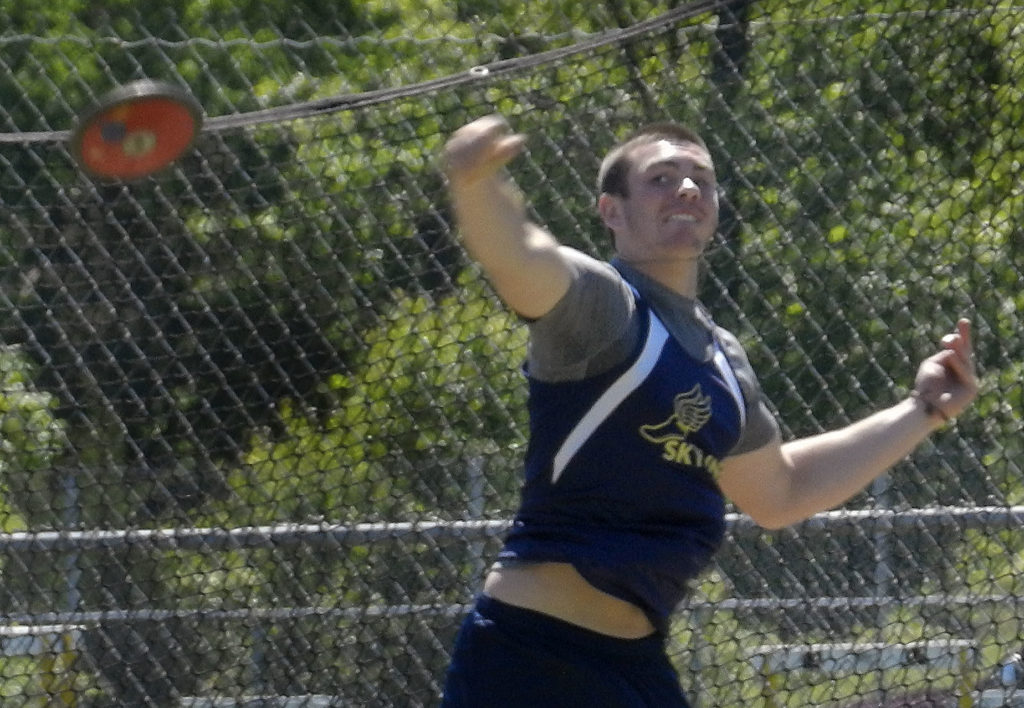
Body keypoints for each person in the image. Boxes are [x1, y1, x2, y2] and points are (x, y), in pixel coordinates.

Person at [438, 114, 978, 707]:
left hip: (636, 665)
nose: (688, 189)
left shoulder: (723, 359)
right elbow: (519, 257)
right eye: (661, 178)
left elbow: (781, 491)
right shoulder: (604, 306)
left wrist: (923, 409)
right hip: (531, 656)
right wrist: (475, 185)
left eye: (702, 179)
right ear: (612, 211)